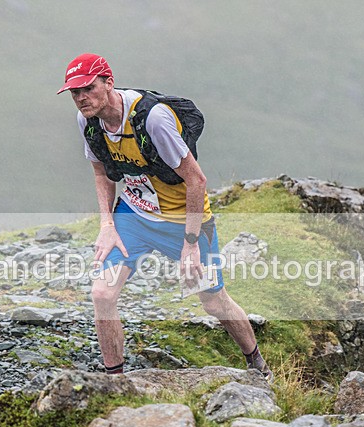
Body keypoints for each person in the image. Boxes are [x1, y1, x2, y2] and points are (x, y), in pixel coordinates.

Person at [57, 53, 273, 381]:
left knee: (213, 302)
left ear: (108, 83)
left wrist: (189, 244)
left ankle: (258, 364)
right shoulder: (88, 121)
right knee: (102, 293)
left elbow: (196, 180)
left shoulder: (152, 119)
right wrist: (107, 225)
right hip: (134, 215)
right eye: (75, 92)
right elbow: (101, 173)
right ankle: (113, 384)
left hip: (181, 220)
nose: (81, 98)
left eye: (87, 88)